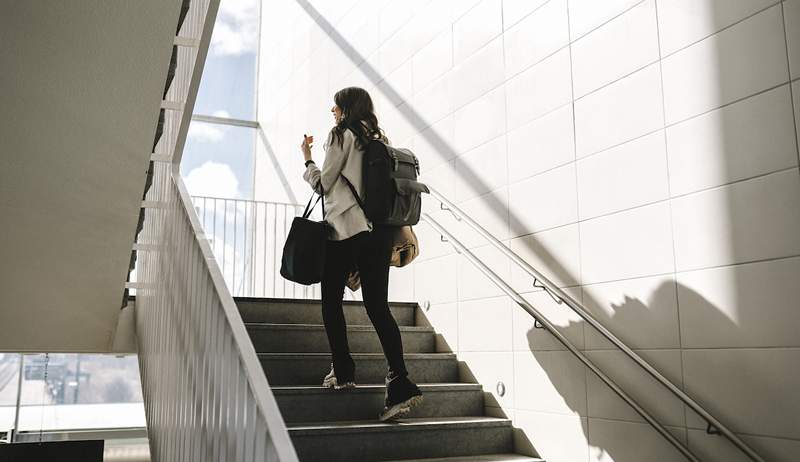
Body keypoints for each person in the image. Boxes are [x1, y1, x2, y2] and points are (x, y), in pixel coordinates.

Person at [300, 87, 423, 421]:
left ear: (346, 108)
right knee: (377, 307)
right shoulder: (376, 138)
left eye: (336, 105)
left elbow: (323, 184)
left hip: (346, 232)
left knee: (330, 302)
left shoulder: (341, 135)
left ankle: (342, 372)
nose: (332, 110)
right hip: (378, 233)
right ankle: (399, 381)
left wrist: (308, 159)